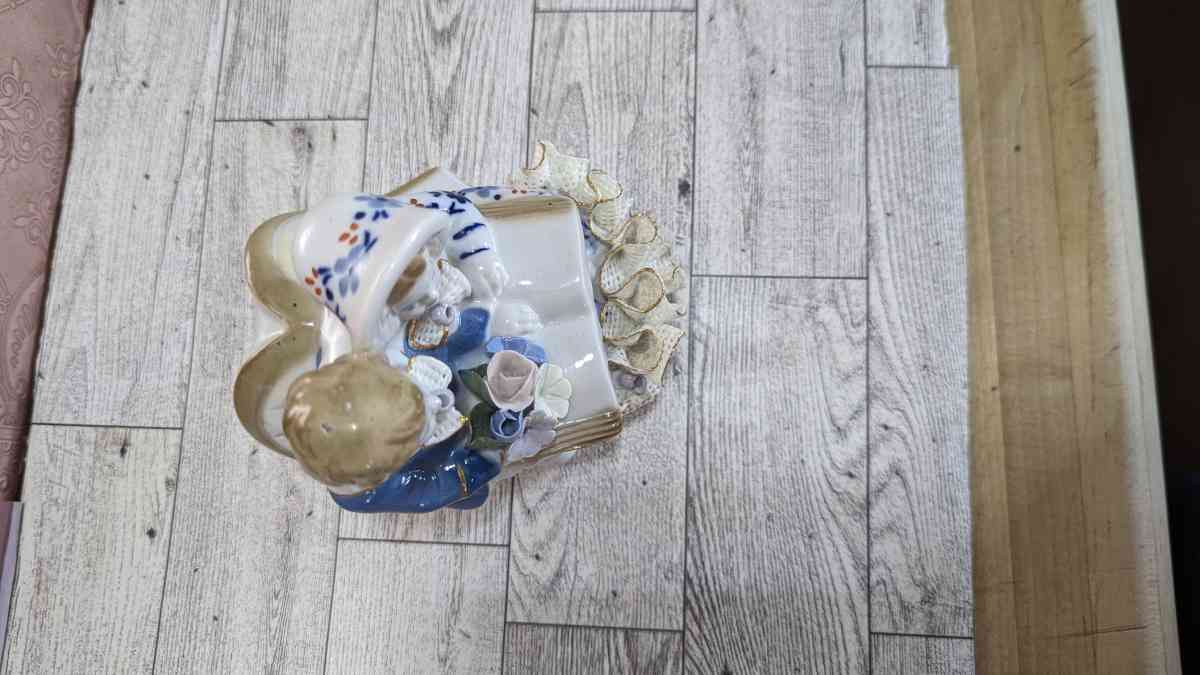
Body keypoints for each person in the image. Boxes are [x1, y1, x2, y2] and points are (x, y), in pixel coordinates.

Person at [282, 351, 499, 513]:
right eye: (420, 428)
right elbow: (432, 487)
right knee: (470, 491)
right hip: (439, 462)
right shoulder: (385, 489)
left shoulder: (351, 383)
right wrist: (478, 466)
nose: (435, 401)